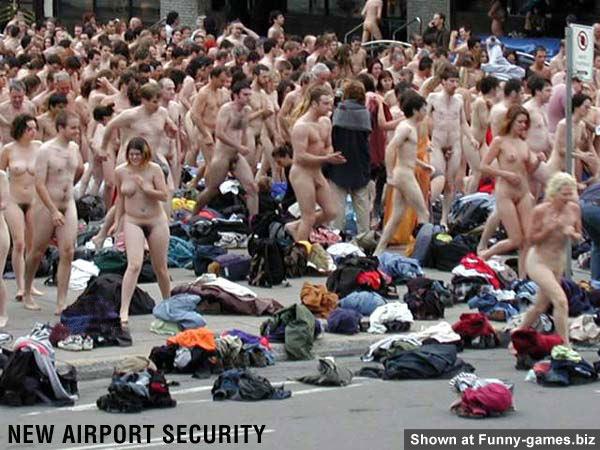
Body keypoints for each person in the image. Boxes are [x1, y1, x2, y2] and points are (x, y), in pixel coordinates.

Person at [23, 111, 84, 314]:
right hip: (46, 205)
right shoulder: (46, 150)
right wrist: (53, 210)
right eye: (73, 128)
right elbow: (39, 184)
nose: (77, 131)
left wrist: (69, 188)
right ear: (60, 128)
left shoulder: (74, 148)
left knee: (68, 251)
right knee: (37, 251)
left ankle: (61, 301)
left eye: (78, 127)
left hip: (68, 203)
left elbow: (79, 169)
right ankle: (27, 290)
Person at [518, 172, 582, 345]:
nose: (567, 199)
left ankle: (517, 334)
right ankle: (565, 345)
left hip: (557, 262)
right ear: (554, 193)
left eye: (570, 194)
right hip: (538, 260)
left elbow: (579, 236)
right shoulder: (541, 211)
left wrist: (572, 234)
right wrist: (549, 229)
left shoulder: (574, 209)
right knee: (561, 301)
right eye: (564, 195)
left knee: (540, 306)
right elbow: (530, 240)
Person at [479, 105, 541, 278]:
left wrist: (538, 161)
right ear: (511, 121)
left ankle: (522, 278)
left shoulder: (523, 143)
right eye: (520, 122)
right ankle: (486, 254)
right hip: (505, 192)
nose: (523, 125)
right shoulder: (500, 141)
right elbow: (483, 166)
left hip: (523, 191)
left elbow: (528, 170)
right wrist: (504, 174)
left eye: (525, 122)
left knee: (528, 239)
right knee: (516, 239)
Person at [114, 137, 170, 328]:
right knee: (134, 264)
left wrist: (147, 189)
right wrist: (116, 223)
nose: (135, 158)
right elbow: (120, 200)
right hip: (133, 220)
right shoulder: (121, 171)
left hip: (156, 220)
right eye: (131, 155)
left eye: (138, 154)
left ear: (145, 154)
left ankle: (168, 304)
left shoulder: (154, 169)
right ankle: (124, 309)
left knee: (160, 267)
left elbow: (164, 195)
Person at [286, 85, 346, 241]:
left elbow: (328, 145)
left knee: (331, 212)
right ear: (314, 104)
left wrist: (330, 155)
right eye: (325, 103)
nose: (329, 107)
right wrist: (326, 159)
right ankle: (300, 251)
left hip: (317, 171)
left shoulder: (326, 122)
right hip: (302, 173)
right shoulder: (301, 126)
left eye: (330, 103)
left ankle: (294, 226)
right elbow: (300, 156)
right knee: (309, 217)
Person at [375, 91, 432, 256]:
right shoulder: (406, 128)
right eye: (423, 109)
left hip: (406, 171)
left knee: (397, 215)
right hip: (403, 175)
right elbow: (391, 148)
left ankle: (378, 251)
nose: (425, 112)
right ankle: (420, 253)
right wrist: (389, 175)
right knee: (423, 213)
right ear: (415, 111)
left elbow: (408, 154)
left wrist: (422, 165)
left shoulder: (411, 127)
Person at [193, 80, 259, 218]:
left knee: (252, 188)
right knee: (212, 190)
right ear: (236, 95)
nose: (248, 98)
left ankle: (254, 222)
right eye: (245, 95)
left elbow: (243, 131)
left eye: (249, 95)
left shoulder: (246, 111)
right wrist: (238, 146)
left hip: (236, 156)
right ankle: (194, 213)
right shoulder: (226, 109)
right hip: (222, 156)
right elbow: (219, 133)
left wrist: (244, 146)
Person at [427, 65, 478, 227]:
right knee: (439, 177)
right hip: (437, 143)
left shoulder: (459, 100)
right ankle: (426, 214)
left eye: (456, 81)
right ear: (443, 82)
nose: (455, 85)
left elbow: (463, 122)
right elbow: (423, 120)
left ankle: (444, 218)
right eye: (451, 81)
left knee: (450, 183)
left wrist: (471, 138)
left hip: (454, 144)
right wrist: (426, 140)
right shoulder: (433, 98)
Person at [0, 114, 44, 303]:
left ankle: (29, 284)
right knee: (19, 243)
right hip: (13, 199)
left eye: (35, 128)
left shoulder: (39, 147)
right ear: (20, 130)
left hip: (33, 199)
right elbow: (1, 174)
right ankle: (20, 286)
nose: (32, 132)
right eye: (29, 129)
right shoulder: (8, 150)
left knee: (33, 245)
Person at [325, 80, 372, 235]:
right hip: (360, 163)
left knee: (337, 207)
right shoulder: (366, 114)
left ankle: (335, 236)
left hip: (339, 162)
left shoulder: (337, 113)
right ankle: (364, 237)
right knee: (362, 206)